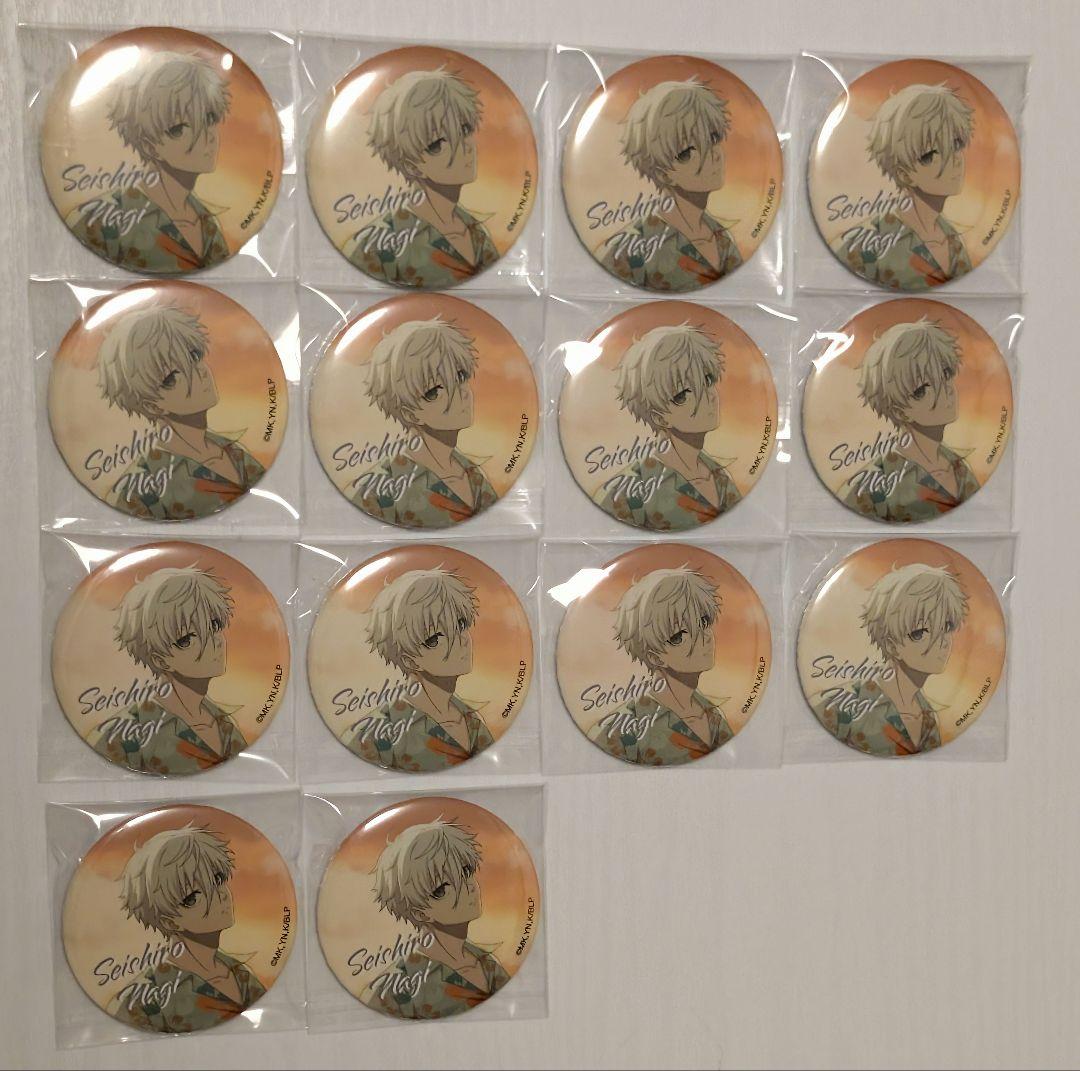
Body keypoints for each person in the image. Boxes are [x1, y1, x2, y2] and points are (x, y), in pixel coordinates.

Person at [67, 51, 232, 272]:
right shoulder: (100, 220)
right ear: (148, 145)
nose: (207, 136)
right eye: (180, 128)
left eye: (209, 118)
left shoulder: (208, 224)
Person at [97, 305, 264, 520]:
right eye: (171, 377)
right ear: (152, 406)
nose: (199, 372)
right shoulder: (140, 487)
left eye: (194, 356)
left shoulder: (231, 451)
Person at [344, 67, 499, 287]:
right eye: (438, 144)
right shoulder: (378, 243)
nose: (462, 147)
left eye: (464, 130)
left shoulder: (476, 232)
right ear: (412, 166)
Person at [90, 565, 246, 774]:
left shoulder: (224, 724)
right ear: (160, 660)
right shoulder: (126, 733)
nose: (213, 642)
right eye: (187, 639)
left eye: (214, 625)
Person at [108, 824, 265, 1032]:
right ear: (169, 922)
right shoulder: (146, 997)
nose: (219, 895)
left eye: (217, 879)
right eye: (192, 898)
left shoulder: (239, 973)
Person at [343, 567, 493, 771]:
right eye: (435, 638)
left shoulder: (471, 720)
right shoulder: (373, 734)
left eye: (460, 624)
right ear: (410, 661)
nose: (459, 641)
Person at [600, 78, 742, 291]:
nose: (711, 155)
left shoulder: (722, 237)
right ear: (663, 173)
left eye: (712, 138)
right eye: (687, 152)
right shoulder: (632, 247)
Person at [813, 562, 969, 756]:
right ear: (891, 646)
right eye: (920, 633)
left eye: (946, 626)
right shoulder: (841, 706)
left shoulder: (928, 718)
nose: (942, 642)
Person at [595, 323, 740, 530]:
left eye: (707, 380)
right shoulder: (627, 490)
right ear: (660, 418)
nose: (707, 396)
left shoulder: (720, 476)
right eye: (683, 394)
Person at [353, 317, 496, 527]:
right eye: (434, 391)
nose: (460, 393)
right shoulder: (380, 488)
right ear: (409, 414)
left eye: (460, 376)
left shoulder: (473, 474)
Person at [361, 818, 509, 1019]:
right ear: (419, 912)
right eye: (442, 889)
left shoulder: (486, 962)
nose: (467, 887)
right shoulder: (397, 985)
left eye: (466, 871)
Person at [588, 566, 734, 765]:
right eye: (679, 635)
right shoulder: (620, 729)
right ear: (655, 657)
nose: (703, 637)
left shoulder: (713, 715)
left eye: (703, 621)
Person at [835, 83, 974, 290]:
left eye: (955, 144)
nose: (953, 160)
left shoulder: (954, 241)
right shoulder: (866, 244)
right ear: (904, 174)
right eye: (931, 154)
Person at [841, 317, 979, 521]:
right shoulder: (873, 484)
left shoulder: (959, 468)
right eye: (922, 389)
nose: (944, 390)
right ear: (899, 411)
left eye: (945, 373)